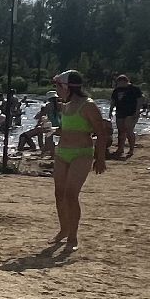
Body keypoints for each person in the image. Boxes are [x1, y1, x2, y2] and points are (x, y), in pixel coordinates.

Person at [49, 70, 108, 250]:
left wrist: (101, 158)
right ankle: (64, 229)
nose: (56, 90)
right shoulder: (66, 105)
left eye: (58, 86)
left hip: (82, 153)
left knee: (71, 194)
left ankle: (73, 238)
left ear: (66, 87)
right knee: (59, 193)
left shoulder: (88, 105)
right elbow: (68, 128)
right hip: (63, 152)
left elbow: (101, 131)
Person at [108, 74, 143, 160]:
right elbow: (113, 101)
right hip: (120, 112)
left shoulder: (134, 89)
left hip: (131, 112)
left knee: (129, 130)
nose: (119, 85)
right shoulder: (116, 90)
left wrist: (137, 111)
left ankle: (131, 149)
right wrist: (110, 111)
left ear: (125, 81)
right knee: (121, 131)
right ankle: (120, 149)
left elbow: (140, 100)